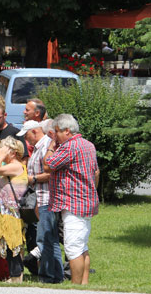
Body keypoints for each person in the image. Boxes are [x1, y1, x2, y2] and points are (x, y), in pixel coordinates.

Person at [43, 114, 100, 285]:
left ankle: (75, 287)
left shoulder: (69, 147)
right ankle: (83, 285)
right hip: (85, 202)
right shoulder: (88, 144)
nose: (55, 135)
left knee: (73, 248)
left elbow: (47, 165)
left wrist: (52, 147)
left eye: (57, 131)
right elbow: (96, 172)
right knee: (82, 246)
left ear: (67, 131)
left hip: (73, 203)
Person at [19, 120, 63, 283]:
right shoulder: (40, 147)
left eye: (26, 135)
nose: (25, 139)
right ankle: (57, 276)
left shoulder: (45, 147)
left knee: (44, 239)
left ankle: (47, 277)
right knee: (50, 239)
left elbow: (52, 172)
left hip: (46, 198)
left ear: (35, 131)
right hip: (42, 198)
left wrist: (32, 179)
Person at [0, 136, 28, 283]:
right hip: (5, 214)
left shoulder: (16, 166)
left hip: (12, 215)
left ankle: (16, 277)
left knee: (14, 245)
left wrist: (2, 156)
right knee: (9, 246)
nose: (0, 151)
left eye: (4, 149)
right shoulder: (9, 167)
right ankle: (14, 276)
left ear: (12, 152)